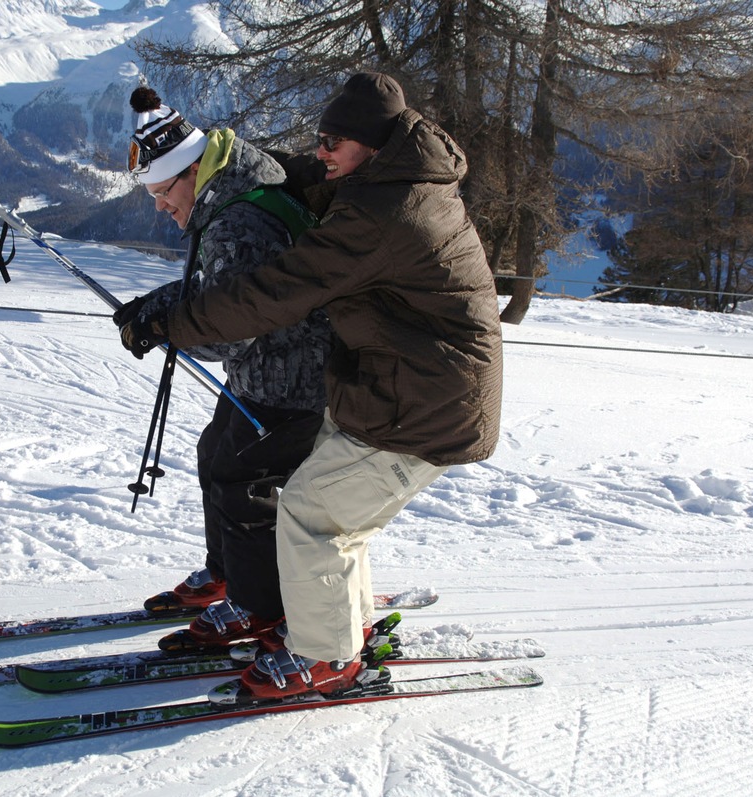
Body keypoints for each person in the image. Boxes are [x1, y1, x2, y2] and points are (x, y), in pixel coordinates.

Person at [120, 73, 503, 700]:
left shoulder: (384, 212)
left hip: (426, 402)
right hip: (398, 387)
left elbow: (276, 291)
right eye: (321, 139)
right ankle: (338, 629)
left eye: (332, 142)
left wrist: (170, 321)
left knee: (310, 512)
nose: (320, 151)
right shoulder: (382, 181)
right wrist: (223, 154)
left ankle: (325, 656)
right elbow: (295, 171)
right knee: (328, 515)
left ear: (372, 146)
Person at [118, 86, 333, 649]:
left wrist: (164, 324)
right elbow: (225, 288)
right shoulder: (238, 183)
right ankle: (231, 574)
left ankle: (257, 604)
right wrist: (158, 305)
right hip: (274, 366)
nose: (162, 207)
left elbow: (227, 327)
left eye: (163, 192)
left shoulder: (237, 222)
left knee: (243, 479)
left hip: (293, 375)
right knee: (216, 452)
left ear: (192, 171)